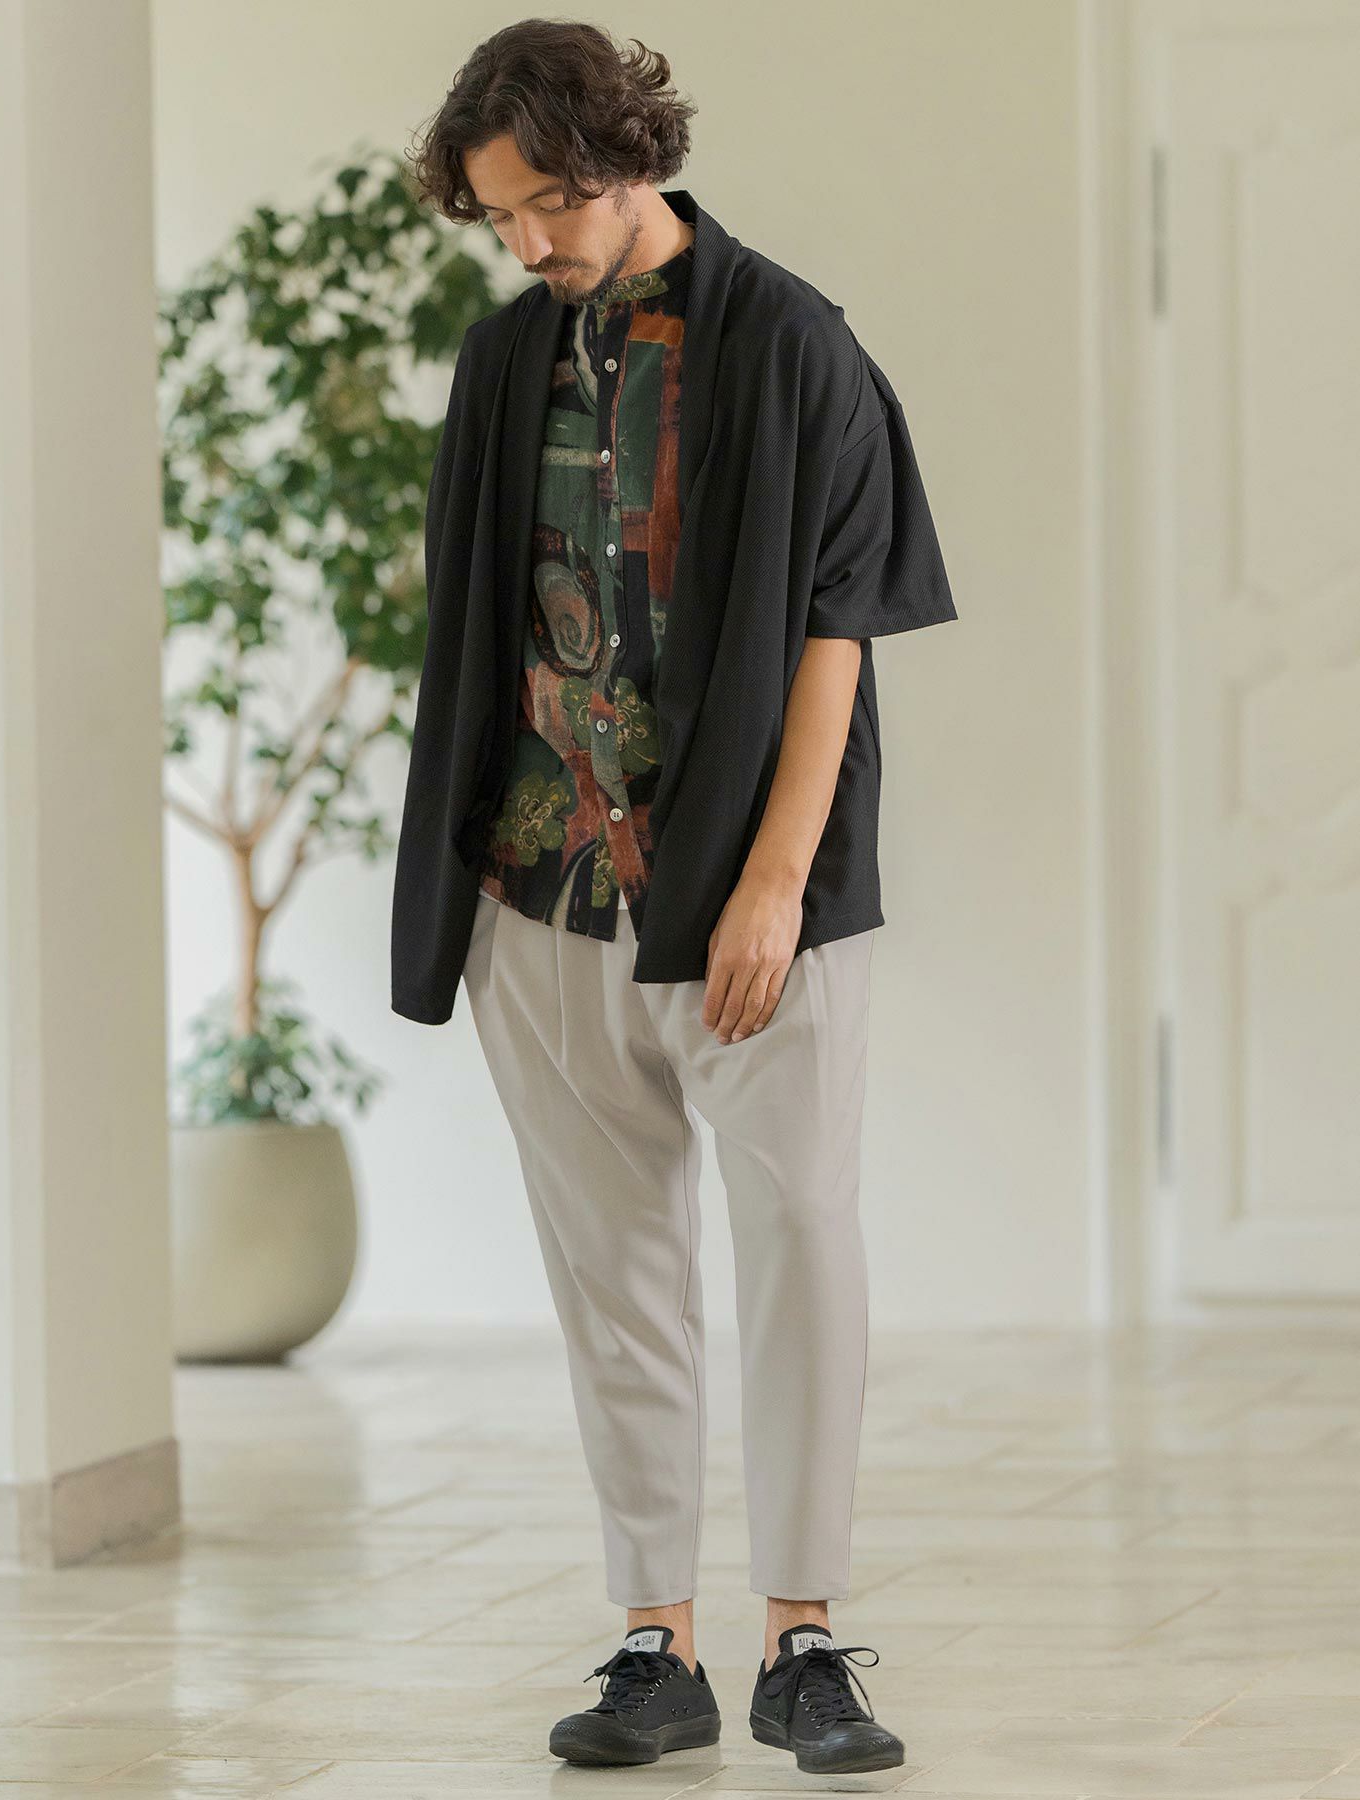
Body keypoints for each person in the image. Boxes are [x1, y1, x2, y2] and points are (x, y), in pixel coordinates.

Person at [395, 18, 957, 1777]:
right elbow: (477, 622)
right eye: (501, 216)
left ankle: (806, 1643)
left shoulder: (793, 343)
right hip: (541, 887)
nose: (530, 242)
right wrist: (471, 899)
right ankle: (659, 1642)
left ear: (630, 154)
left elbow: (842, 626)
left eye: (550, 204)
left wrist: (776, 881)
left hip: (746, 893)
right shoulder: (506, 360)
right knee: (613, 1273)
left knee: (800, 1244)